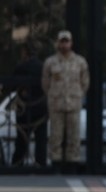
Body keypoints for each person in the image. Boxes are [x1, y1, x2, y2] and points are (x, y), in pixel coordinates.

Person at [42, 30, 88, 172]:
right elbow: (45, 82)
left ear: (71, 43)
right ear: (58, 43)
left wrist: (79, 94)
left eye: (66, 41)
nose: (64, 44)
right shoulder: (50, 62)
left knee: (74, 135)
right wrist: (51, 95)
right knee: (56, 135)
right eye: (62, 41)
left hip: (73, 103)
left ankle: (72, 162)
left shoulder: (80, 61)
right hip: (56, 103)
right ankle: (56, 162)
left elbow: (85, 82)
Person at [10, 43, 46, 168]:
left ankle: (17, 164)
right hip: (40, 108)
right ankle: (40, 165)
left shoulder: (21, 66)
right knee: (40, 139)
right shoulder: (43, 67)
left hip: (24, 108)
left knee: (21, 139)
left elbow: (12, 85)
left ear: (25, 52)